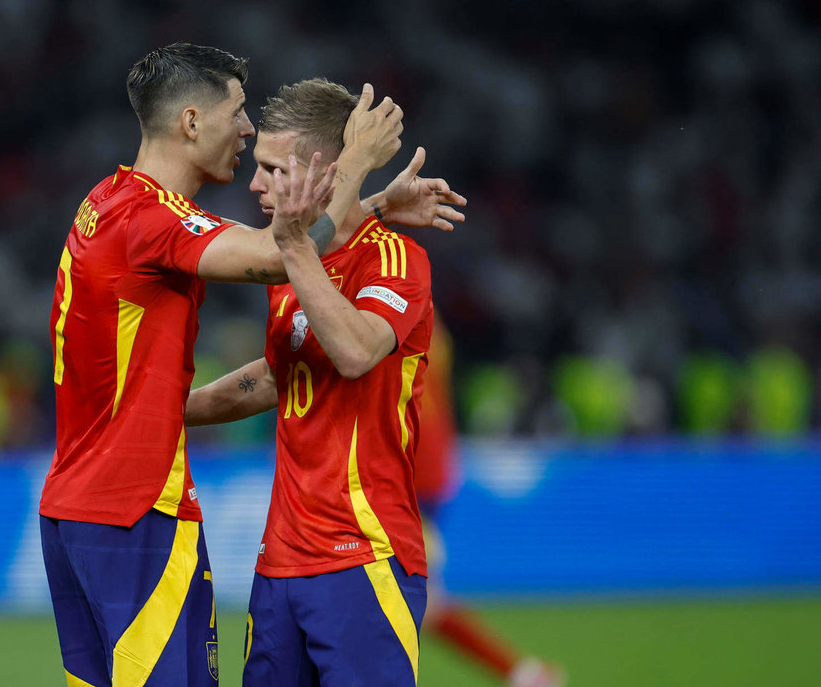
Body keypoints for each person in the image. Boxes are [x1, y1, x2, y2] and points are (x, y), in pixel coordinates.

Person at [38, 42, 410, 687]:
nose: (246, 130)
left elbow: (278, 250)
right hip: (135, 510)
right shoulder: (152, 220)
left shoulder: (109, 200)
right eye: (236, 111)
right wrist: (358, 167)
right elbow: (281, 254)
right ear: (190, 122)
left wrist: (370, 209)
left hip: (75, 508)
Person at [185, 78, 466, 687]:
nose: (255, 185)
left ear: (324, 172)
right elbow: (276, 375)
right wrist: (166, 409)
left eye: (272, 170)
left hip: (363, 555)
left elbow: (356, 350)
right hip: (280, 561)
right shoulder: (292, 264)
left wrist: (311, 238)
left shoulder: (395, 261)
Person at [419, 316, 566, 687]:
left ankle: (520, 673)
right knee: (411, 600)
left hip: (406, 476)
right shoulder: (425, 315)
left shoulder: (380, 312)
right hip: (430, 470)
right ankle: (521, 673)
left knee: (414, 601)